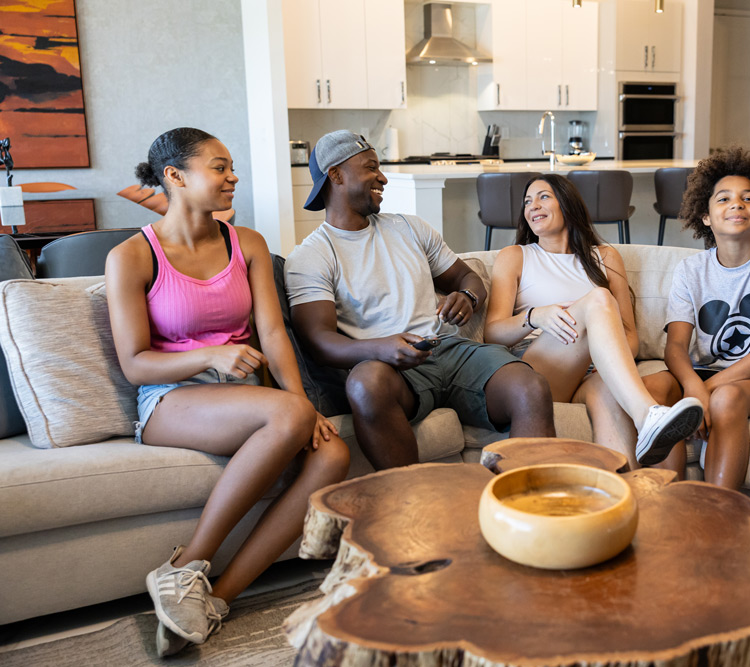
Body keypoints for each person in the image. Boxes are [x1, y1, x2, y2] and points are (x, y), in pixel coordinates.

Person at [105, 127, 350, 657]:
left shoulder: (248, 244)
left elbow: (274, 334)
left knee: (332, 453)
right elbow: (135, 364)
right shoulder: (132, 256)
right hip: (171, 398)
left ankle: (213, 602)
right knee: (289, 417)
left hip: (249, 400)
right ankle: (184, 566)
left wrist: (302, 404)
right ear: (175, 176)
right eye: (219, 167)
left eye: (231, 167)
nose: (233, 177)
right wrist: (210, 356)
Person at [284, 130, 556, 469]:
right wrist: (380, 348)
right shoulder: (311, 256)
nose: (383, 177)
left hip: (450, 350)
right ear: (336, 175)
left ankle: (519, 498)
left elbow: (468, 278)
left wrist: (468, 296)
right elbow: (319, 341)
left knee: (531, 387)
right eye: (370, 167)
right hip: (390, 370)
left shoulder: (409, 228)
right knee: (366, 382)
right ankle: (410, 494)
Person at [483, 174, 703, 469]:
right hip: (541, 368)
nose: (532, 205)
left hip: (591, 372)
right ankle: (646, 414)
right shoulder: (516, 256)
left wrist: (608, 361)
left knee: (610, 392)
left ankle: (628, 489)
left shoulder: (606, 257)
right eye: (527, 201)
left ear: (567, 203)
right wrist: (535, 317)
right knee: (599, 298)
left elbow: (630, 337)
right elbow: (492, 333)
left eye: (543, 197)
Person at [642, 145, 750, 489]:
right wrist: (693, 385)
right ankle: (667, 501)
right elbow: (675, 347)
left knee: (725, 398)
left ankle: (719, 509)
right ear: (705, 216)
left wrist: (704, 390)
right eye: (723, 199)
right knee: (653, 387)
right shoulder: (691, 269)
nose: (737, 204)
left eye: (748, 198)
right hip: (705, 372)